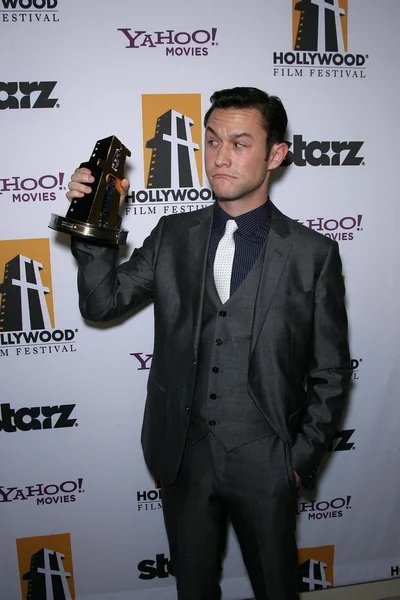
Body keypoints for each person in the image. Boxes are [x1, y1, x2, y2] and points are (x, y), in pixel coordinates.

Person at [67, 87, 351, 600]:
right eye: (213, 140)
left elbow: (331, 371)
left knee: (276, 588)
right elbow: (101, 303)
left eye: (240, 143)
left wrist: (296, 460)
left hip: (267, 461)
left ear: (276, 154)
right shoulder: (173, 234)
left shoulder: (313, 254)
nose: (220, 157)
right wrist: (96, 216)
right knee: (193, 589)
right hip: (183, 454)